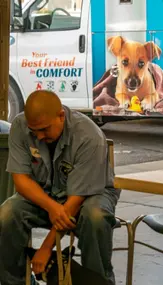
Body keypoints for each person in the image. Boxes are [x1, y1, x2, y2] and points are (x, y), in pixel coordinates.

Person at [0, 90, 120, 285]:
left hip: (89, 194)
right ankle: (14, 281)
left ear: (61, 116)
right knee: (7, 213)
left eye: (45, 129)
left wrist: (46, 248)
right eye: (34, 130)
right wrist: (51, 206)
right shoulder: (20, 126)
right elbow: (21, 180)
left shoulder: (88, 135)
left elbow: (76, 199)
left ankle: (96, 281)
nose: (38, 136)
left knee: (95, 217)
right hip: (46, 192)